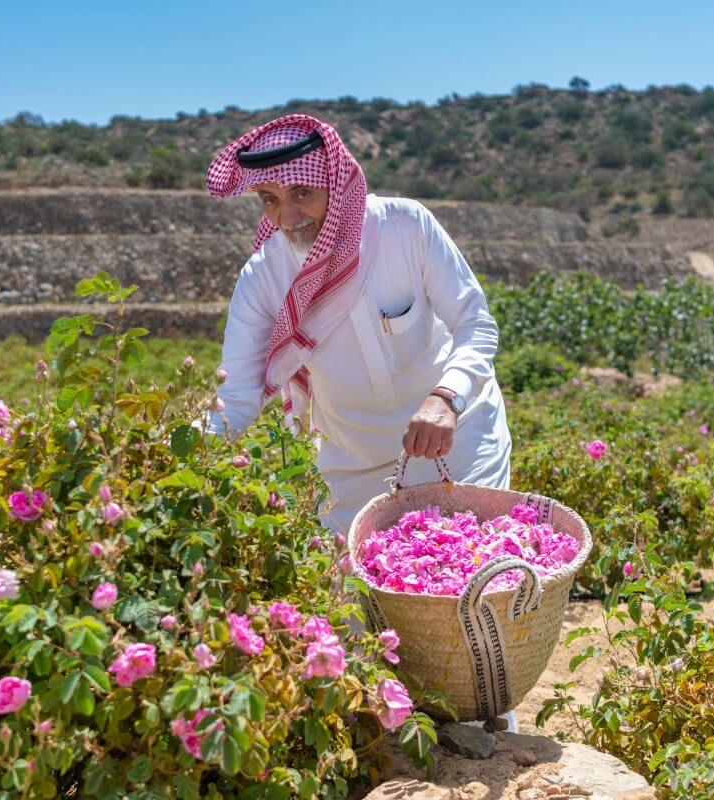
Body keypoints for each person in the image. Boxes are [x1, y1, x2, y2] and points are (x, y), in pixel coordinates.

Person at [203, 113, 518, 732]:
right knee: (362, 623)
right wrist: (164, 454)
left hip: (460, 437)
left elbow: (475, 325)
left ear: (336, 181)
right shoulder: (265, 273)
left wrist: (446, 397)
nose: (288, 215)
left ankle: (496, 737)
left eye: (301, 194)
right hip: (349, 465)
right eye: (270, 199)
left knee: (472, 601)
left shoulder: (404, 227)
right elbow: (237, 396)